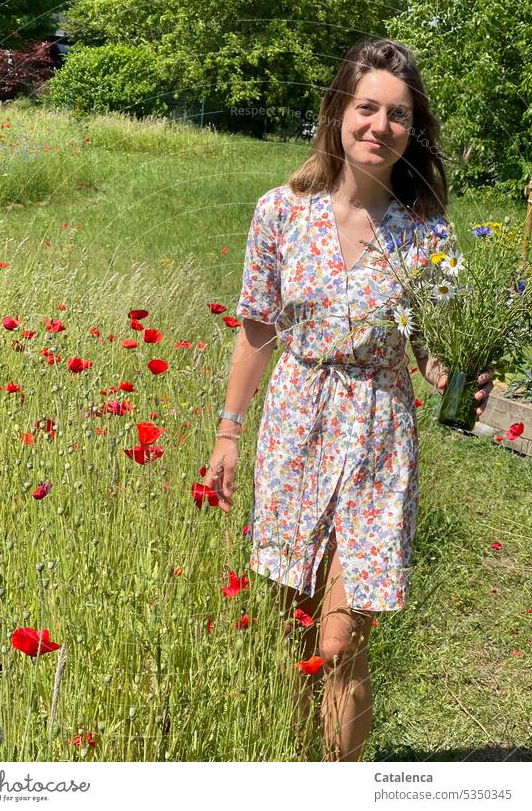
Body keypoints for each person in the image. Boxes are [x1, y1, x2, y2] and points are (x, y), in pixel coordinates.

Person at [203, 38, 494, 762]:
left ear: (411, 129)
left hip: (378, 435)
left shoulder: (426, 232)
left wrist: (453, 371)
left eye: (398, 114)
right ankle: (300, 767)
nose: (380, 125)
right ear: (339, 110)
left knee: (340, 640)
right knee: (292, 630)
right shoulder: (280, 212)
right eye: (367, 107)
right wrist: (229, 433)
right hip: (294, 424)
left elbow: (432, 345)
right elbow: (258, 328)